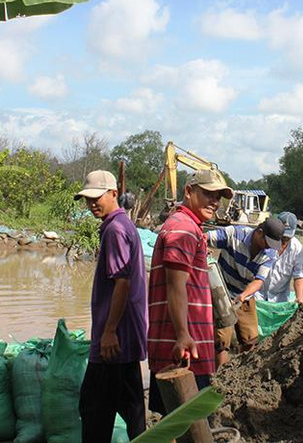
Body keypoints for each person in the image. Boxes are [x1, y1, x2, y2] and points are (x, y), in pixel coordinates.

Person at [147, 169, 232, 413]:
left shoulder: (187, 227)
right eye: (208, 194)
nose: (215, 202)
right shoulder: (183, 229)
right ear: (188, 192)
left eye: (218, 197)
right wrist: (183, 334)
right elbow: (176, 288)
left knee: (174, 425)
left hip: (184, 347)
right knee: (186, 426)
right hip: (185, 352)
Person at [75, 170, 147, 443]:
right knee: (133, 410)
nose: (92, 204)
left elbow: (122, 283)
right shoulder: (123, 225)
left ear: (114, 194)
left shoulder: (116, 230)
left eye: (97, 197)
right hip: (127, 335)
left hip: (114, 339)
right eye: (87, 199)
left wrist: (109, 331)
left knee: (94, 409)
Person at [207, 216, 284, 366]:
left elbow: (258, 281)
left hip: (245, 293)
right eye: (267, 242)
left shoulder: (270, 254)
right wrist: (203, 247)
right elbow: (204, 238)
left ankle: (242, 373)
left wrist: (243, 295)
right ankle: (218, 377)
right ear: (259, 232)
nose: (268, 247)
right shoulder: (234, 234)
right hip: (222, 293)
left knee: (250, 338)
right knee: (222, 341)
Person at [258, 211, 303, 303]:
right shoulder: (266, 242)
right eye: (282, 237)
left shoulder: (297, 248)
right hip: (258, 294)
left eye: (287, 238)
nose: (284, 240)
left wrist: (299, 297)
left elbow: (299, 274)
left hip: (280, 298)